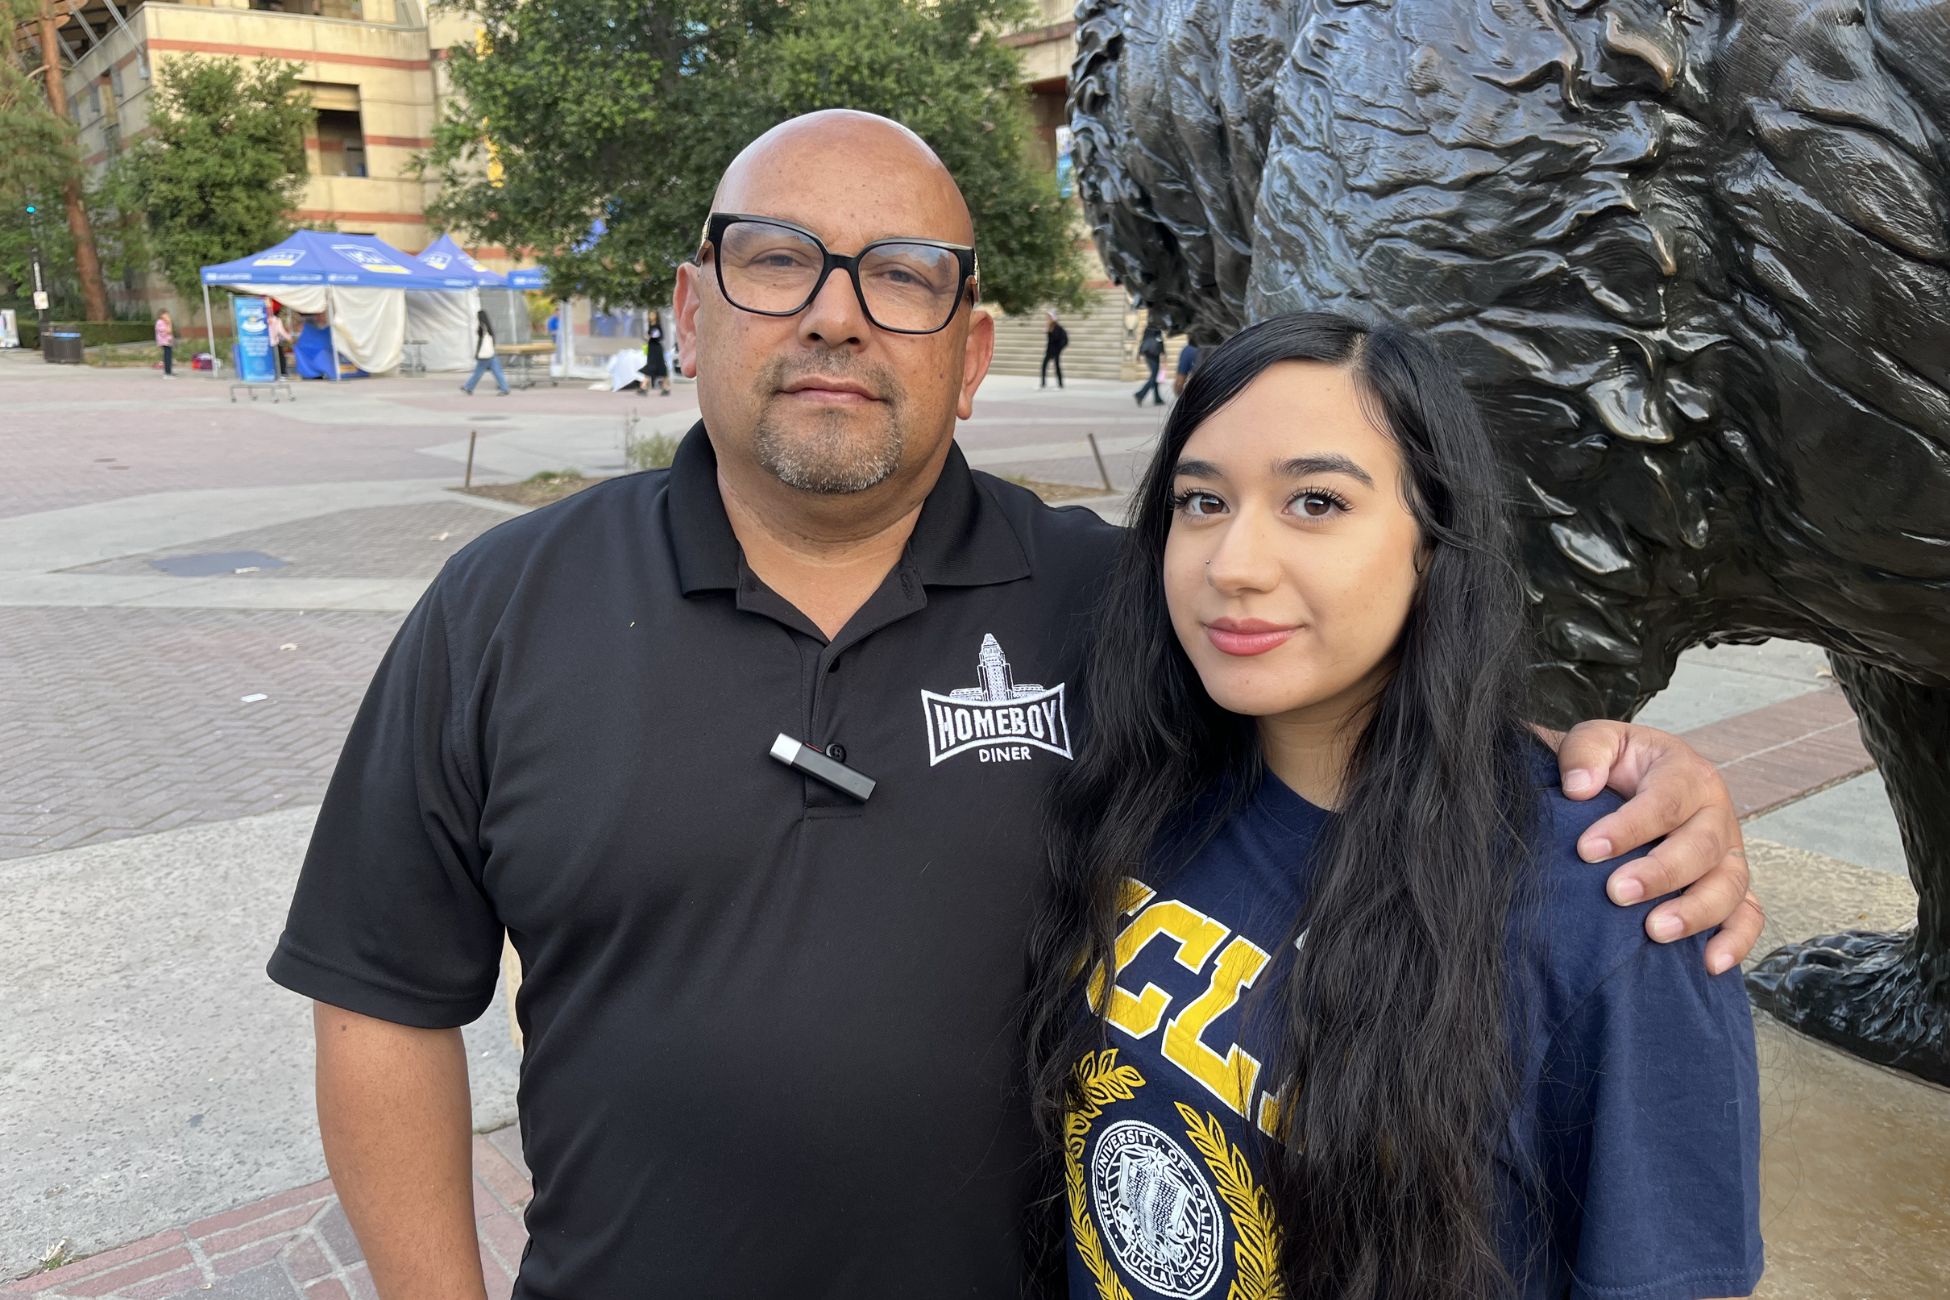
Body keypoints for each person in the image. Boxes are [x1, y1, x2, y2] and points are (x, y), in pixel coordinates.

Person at [267, 111, 1759, 1299]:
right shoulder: (504, 608)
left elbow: (1367, 690)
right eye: (777, 259)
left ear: (971, 351)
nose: (837, 318)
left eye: (902, 276)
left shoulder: (1112, 603)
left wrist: (1617, 780)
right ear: (692, 306)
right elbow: (383, 997)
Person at [1030, 313, 1764, 1300]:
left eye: (1316, 501)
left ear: (1435, 539)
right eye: (1200, 501)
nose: (1233, 563)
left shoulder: (1617, 906)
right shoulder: (1142, 791)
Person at [460, 308, 510, 396]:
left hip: (484, 355)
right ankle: (505, 388)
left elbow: (480, 343)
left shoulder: (482, 328)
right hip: (491, 353)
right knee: (497, 372)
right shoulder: (489, 328)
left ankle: (468, 387)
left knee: (478, 373)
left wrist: (477, 354)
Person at [640, 309, 673, 395]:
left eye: (653, 314)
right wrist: (647, 337)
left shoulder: (657, 326)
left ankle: (645, 387)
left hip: (656, 349)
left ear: (656, 316)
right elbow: (647, 337)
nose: (651, 316)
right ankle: (645, 387)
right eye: (650, 314)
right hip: (651, 349)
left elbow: (660, 337)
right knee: (652, 367)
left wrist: (650, 337)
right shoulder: (650, 326)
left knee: (659, 367)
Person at [1134, 323, 1165, 405]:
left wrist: (1139, 353)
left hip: (1147, 354)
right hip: (1154, 355)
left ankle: (1157, 398)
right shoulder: (1157, 329)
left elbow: (1143, 340)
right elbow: (1160, 340)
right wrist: (1163, 352)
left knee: (1154, 376)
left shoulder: (1147, 328)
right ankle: (1140, 394)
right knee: (1153, 377)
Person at [1042, 308, 1069, 388]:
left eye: (1049, 317)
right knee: (1044, 366)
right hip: (1049, 350)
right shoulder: (1049, 327)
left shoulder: (1058, 328)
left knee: (1057, 367)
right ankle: (1043, 384)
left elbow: (1059, 339)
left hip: (1056, 350)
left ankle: (1060, 384)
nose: (1048, 319)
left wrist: (1059, 348)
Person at [267, 309, 293, 379]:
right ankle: (282, 373)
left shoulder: (263, 319)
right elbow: (281, 332)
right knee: (280, 359)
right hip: (274, 343)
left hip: (265, 343)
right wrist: (290, 338)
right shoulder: (277, 320)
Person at [155, 309, 173, 377]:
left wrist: (168, 323)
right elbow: (168, 331)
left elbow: (170, 331)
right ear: (161, 315)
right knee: (167, 357)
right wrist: (169, 322)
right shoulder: (160, 322)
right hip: (164, 342)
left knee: (169, 356)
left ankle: (169, 371)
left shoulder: (165, 322)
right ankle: (167, 373)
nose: (168, 316)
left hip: (168, 342)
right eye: (166, 314)